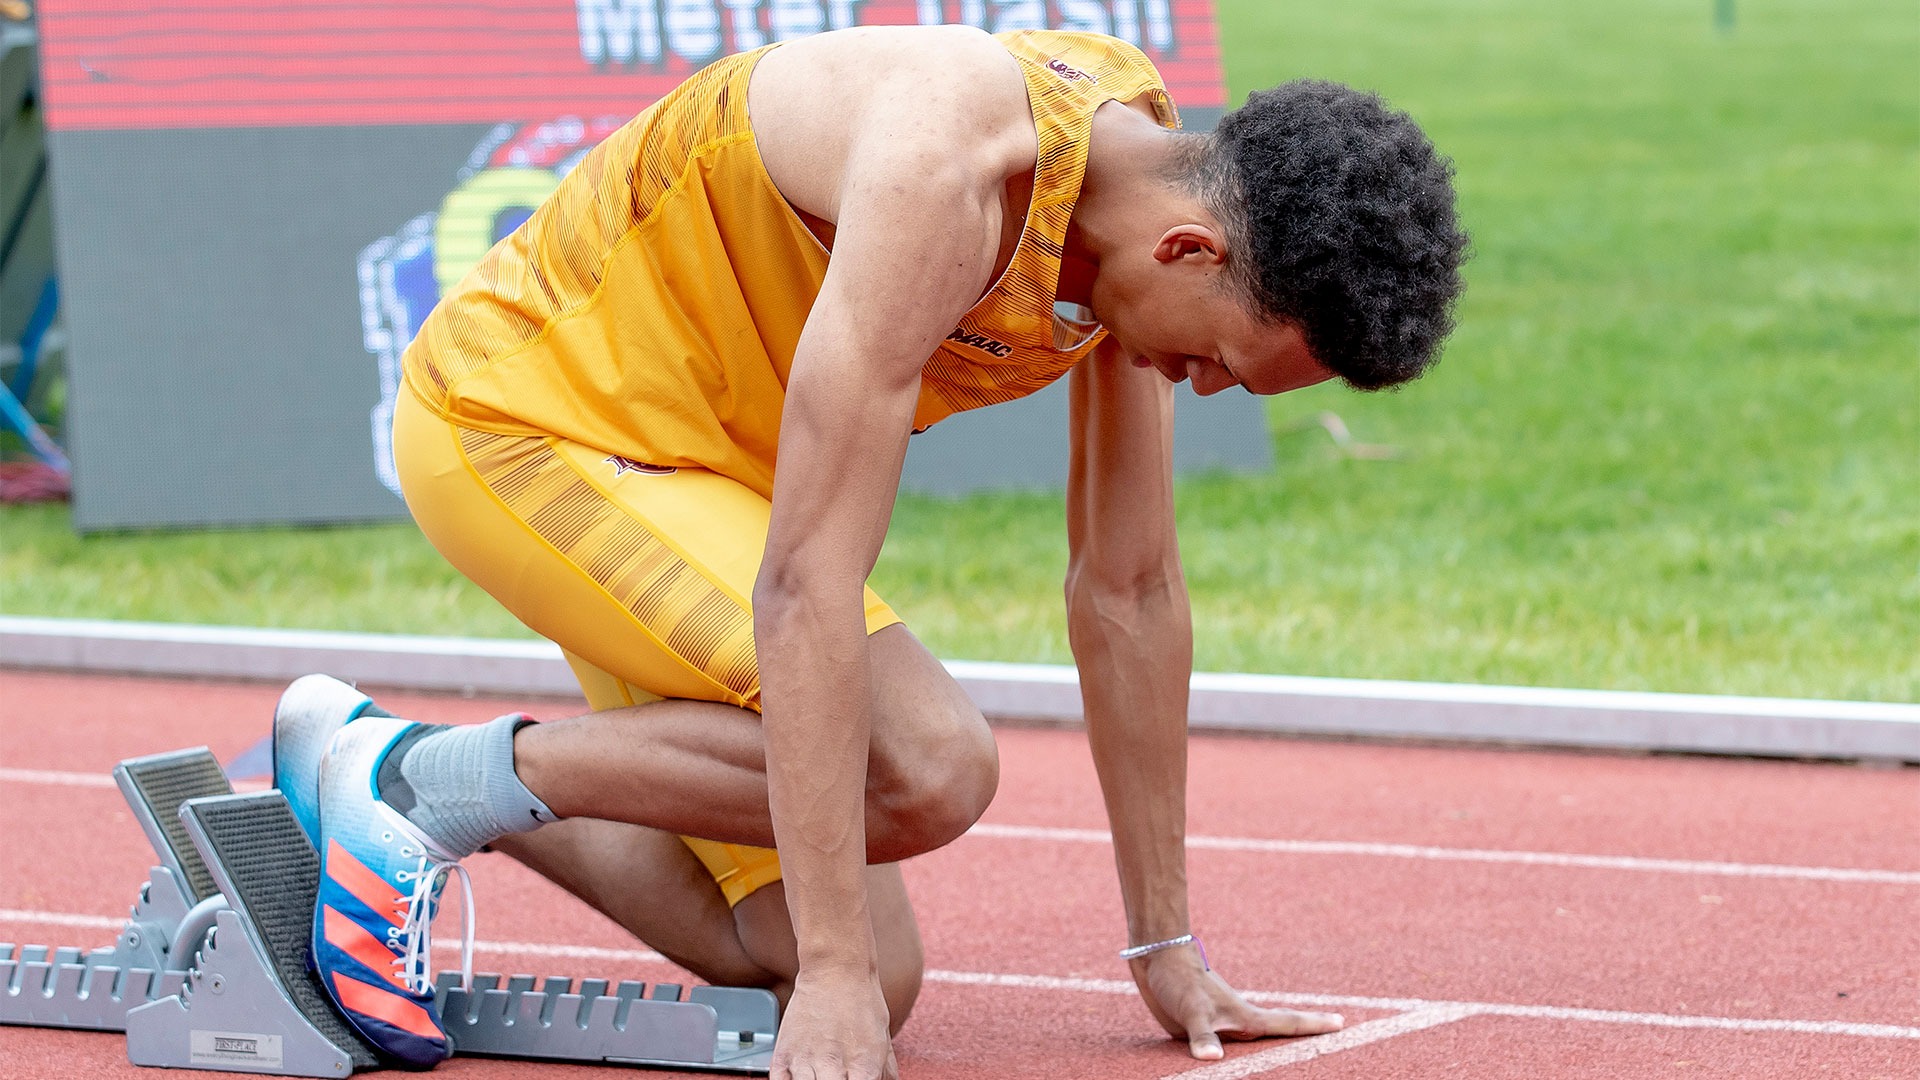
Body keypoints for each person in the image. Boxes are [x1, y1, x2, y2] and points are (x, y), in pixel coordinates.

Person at [277, 23, 1466, 1079]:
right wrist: (833, 977)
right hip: (529, 424)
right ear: (1191, 253)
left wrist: (1164, 946)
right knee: (925, 768)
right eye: (1224, 363)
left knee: (841, 967)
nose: (1204, 388)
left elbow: (1131, 588)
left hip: (707, 485)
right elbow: (804, 581)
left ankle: (390, 767)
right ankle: (401, 790)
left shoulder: (1136, 213)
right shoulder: (943, 168)